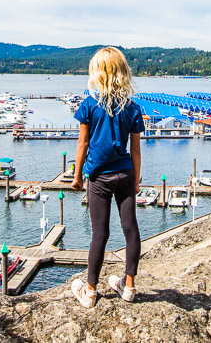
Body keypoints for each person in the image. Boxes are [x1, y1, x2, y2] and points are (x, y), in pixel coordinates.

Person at [70, 47, 144, 308]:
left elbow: (82, 144)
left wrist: (77, 176)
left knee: (99, 233)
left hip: (99, 177)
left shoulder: (89, 104)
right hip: (125, 173)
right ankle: (129, 286)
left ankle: (89, 291)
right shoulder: (133, 107)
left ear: (97, 72)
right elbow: (135, 148)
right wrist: (136, 179)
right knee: (130, 229)